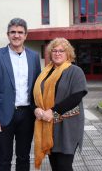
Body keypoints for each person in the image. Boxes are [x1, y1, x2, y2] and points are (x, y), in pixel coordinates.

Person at [0, 18, 41, 171]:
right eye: (13, 32)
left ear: (26, 35)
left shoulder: (34, 57)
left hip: (27, 115)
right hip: (3, 116)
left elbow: (37, 87)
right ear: (7, 34)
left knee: (24, 157)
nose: (16, 35)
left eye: (20, 32)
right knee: (3, 157)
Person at [33, 37, 88, 171]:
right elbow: (36, 93)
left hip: (68, 126)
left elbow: (77, 96)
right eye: (54, 50)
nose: (57, 53)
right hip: (49, 125)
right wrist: (36, 109)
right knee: (55, 165)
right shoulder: (45, 72)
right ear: (50, 53)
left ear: (68, 53)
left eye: (61, 51)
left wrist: (52, 111)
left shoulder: (75, 71)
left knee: (64, 166)